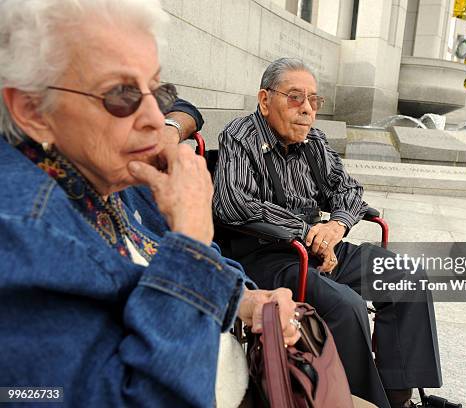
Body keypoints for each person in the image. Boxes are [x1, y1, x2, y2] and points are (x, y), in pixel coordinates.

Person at [0, 1, 300, 406]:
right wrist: (193, 234)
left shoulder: (102, 173)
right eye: (120, 94)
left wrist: (245, 301)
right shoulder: (21, 233)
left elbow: (153, 258)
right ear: (31, 109)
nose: (158, 122)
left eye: (160, 92)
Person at [212, 58, 442, 408]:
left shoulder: (314, 142)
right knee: (345, 306)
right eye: (294, 97)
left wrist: (336, 226)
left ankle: (399, 397)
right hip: (265, 253)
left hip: (319, 247)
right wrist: (306, 231)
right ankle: (360, 402)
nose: (307, 109)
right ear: (264, 100)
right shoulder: (240, 136)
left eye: (313, 100)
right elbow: (232, 203)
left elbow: (348, 190)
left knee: (406, 276)